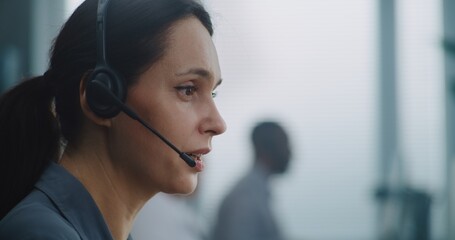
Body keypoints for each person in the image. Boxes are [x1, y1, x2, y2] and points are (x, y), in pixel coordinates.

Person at [0, 0, 226, 239]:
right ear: (101, 98)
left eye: (212, 93)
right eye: (188, 89)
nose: (218, 124)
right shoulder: (40, 234)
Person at [211, 121, 292, 240]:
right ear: (266, 148)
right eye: (284, 144)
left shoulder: (256, 190)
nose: (290, 152)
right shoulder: (245, 196)